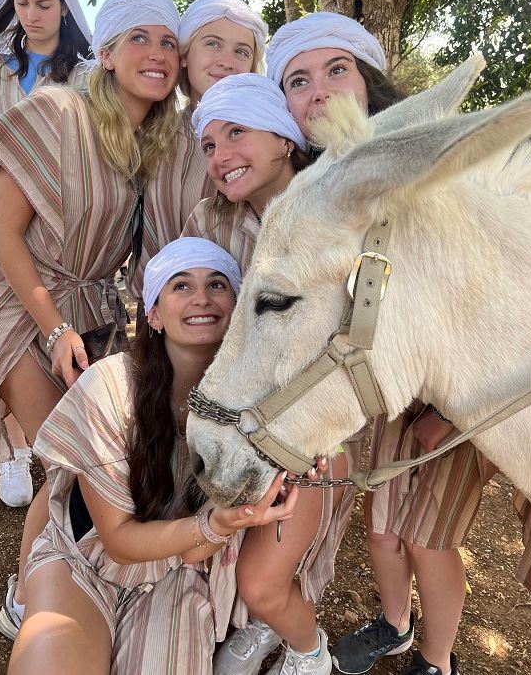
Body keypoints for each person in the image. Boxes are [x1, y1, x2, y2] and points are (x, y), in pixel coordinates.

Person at [266, 11, 491, 675]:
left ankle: (437, 659)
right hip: (384, 394)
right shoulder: (313, 190)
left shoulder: (430, 166)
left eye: (336, 69)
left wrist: (452, 411)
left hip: (458, 396)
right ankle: (395, 626)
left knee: (426, 541)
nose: (319, 91)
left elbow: (482, 294)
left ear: (368, 80)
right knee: (383, 529)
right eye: (298, 80)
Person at [0, 0, 182, 640]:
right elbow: (3, 232)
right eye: (139, 38)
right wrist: (56, 327)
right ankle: (24, 600)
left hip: (92, 310)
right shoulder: (59, 110)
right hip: (21, 302)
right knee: (66, 462)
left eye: (169, 42)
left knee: (82, 466)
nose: (157, 53)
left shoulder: (154, 147)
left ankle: (55, 584)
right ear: (108, 52)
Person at [8, 236, 299, 675]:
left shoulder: (257, 407)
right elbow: (118, 543)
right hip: (85, 562)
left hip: (179, 572)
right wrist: (215, 525)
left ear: (237, 310)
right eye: (181, 285)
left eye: (217, 284)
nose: (202, 297)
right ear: (154, 315)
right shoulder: (110, 387)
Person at [183, 72, 360, 675]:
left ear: (285, 139)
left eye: (237, 132)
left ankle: (307, 651)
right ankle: (261, 620)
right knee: (228, 534)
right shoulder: (212, 224)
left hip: (316, 426)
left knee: (262, 578)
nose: (220, 155)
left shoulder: (340, 214)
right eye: (209, 145)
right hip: (235, 413)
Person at [0, 0, 93, 507]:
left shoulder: (84, 75)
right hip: (7, 215)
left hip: (60, 231)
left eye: (44, 4)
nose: (31, 15)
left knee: (43, 339)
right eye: (21, 3)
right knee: (4, 342)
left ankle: (56, 469)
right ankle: (16, 454)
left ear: (65, 7)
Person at [127, 0, 268, 301]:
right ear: (185, 56)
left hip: (242, 311)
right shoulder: (151, 134)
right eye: (213, 44)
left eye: (241, 51)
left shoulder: (266, 141)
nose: (226, 61)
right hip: (159, 311)